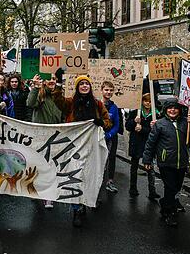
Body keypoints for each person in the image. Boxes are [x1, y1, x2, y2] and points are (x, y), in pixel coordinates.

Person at [59, 75, 112, 227]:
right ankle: (76, 209)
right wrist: (56, 85)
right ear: (77, 87)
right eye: (81, 84)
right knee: (74, 175)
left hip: (91, 146)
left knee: (88, 175)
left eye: (86, 84)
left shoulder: (97, 104)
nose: (84, 86)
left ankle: (85, 202)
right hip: (74, 145)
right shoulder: (70, 102)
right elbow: (58, 102)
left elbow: (108, 122)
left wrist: (101, 123)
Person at [142, 97, 190, 227]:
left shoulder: (186, 122)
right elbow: (151, 143)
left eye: (175, 108)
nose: (172, 110)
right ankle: (169, 213)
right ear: (165, 110)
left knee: (176, 187)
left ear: (179, 110)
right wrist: (147, 159)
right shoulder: (160, 124)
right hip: (166, 162)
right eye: (170, 108)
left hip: (181, 162)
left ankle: (165, 203)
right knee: (170, 187)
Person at [26, 71, 65, 209]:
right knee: (40, 166)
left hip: (56, 136)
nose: (52, 81)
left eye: (54, 79)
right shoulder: (40, 95)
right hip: (41, 137)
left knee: (52, 166)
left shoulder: (59, 97)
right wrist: (35, 88)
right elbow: (30, 104)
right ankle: (37, 189)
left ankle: (48, 196)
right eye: (49, 79)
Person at [125, 93, 159, 200]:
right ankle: (133, 188)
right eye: (145, 101)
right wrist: (134, 122)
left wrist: (145, 129)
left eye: (149, 101)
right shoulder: (136, 112)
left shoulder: (155, 114)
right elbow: (127, 126)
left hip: (148, 143)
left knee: (150, 167)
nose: (148, 103)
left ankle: (152, 190)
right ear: (142, 101)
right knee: (134, 166)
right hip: (136, 142)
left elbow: (156, 131)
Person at [100, 81, 121, 194]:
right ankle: (98, 181)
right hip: (98, 137)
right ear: (102, 90)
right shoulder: (97, 104)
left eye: (111, 90)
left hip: (111, 137)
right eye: (106, 90)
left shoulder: (114, 107)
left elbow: (117, 124)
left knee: (111, 158)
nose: (108, 92)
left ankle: (110, 182)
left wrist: (109, 134)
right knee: (98, 159)